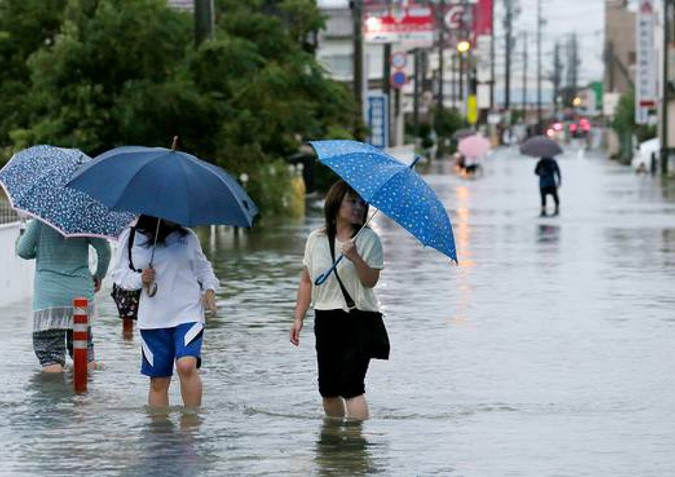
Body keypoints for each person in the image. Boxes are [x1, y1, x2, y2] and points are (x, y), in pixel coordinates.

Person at [290, 180, 384, 421]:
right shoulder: (315, 239)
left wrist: (355, 258)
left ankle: (355, 450)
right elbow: (307, 281)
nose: (358, 207)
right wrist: (298, 318)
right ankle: (334, 448)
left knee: (351, 388)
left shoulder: (369, 240)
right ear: (335, 204)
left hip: (358, 318)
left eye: (362, 203)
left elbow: (370, 280)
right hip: (325, 317)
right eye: (352, 201)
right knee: (329, 391)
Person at [110, 215, 218, 409]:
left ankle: (191, 428)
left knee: (186, 366)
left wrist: (210, 288)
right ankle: (160, 435)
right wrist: (140, 279)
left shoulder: (188, 237)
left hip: (188, 313)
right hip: (152, 320)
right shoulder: (131, 235)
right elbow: (119, 275)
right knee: (159, 381)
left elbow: (203, 268)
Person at [16, 219, 111, 372]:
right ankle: (84, 394)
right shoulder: (85, 220)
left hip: (49, 299)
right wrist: (99, 275)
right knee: (83, 352)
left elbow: (23, 251)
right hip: (80, 294)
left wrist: (39, 250)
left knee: (50, 355)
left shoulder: (40, 220)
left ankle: (57, 394)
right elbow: (105, 251)